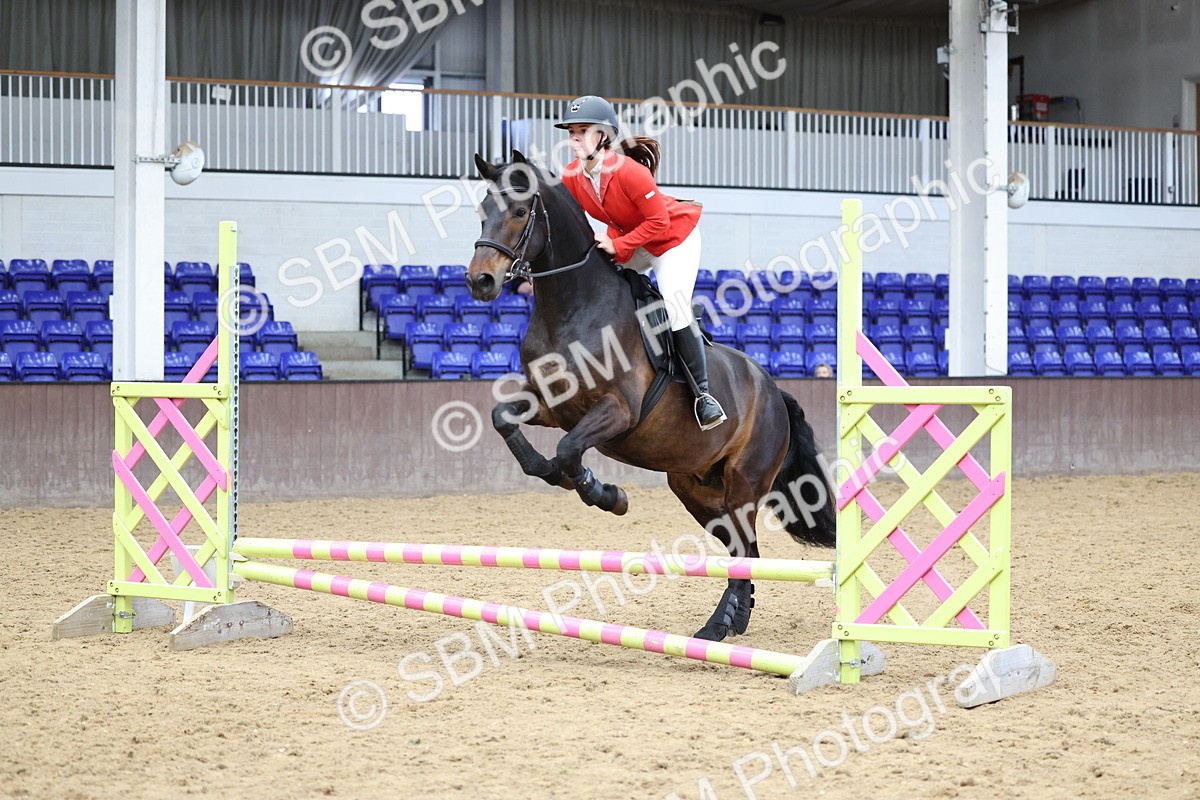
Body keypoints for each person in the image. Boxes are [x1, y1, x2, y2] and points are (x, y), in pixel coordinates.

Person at [555, 95, 726, 430]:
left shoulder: (630, 173)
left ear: (603, 136)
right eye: (571, 131)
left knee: (675, 307)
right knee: (605, 293)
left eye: (583, 130)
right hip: (632, 240)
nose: (573, 137)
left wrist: (617, 244)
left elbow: (658, 224)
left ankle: (703, 395)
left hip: (673, 240)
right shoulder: (572, 175)